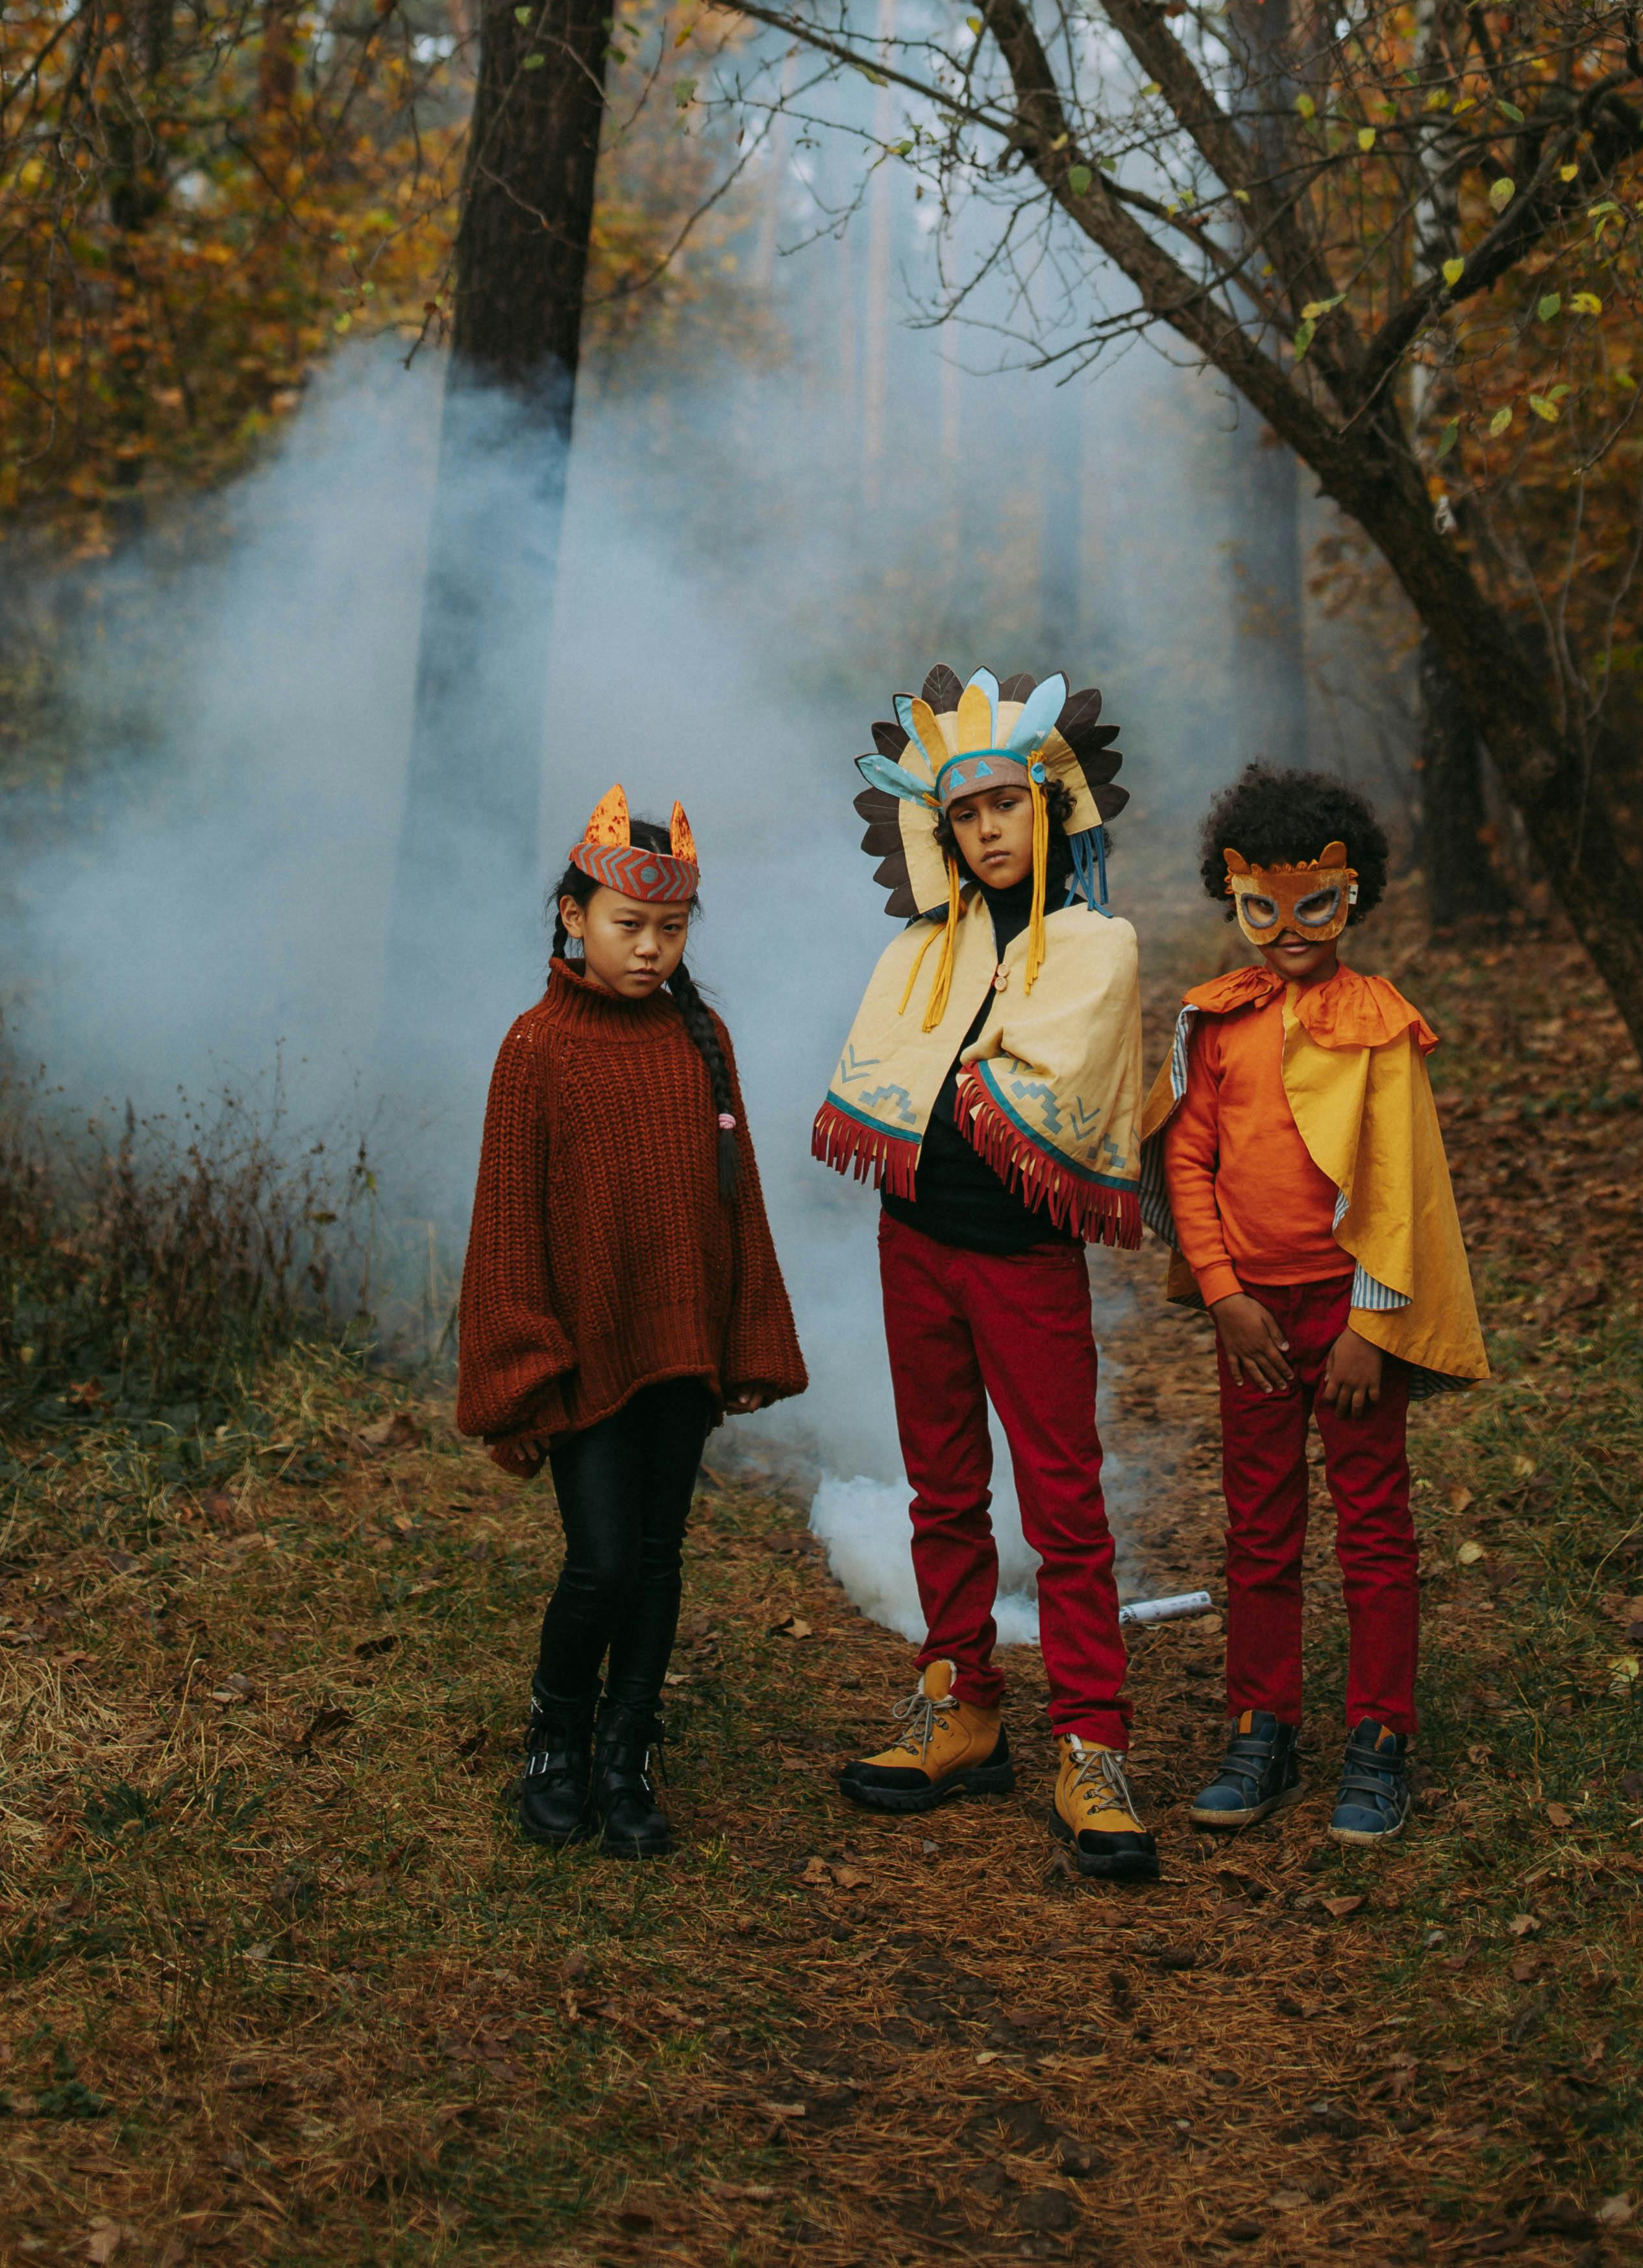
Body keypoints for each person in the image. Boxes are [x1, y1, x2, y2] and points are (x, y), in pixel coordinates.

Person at [812, 664, 1158, 1886]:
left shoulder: (1098, 946)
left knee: (1062, 1503)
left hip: (1023, 1259)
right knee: (941, 1486)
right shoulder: (921, 952)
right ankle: (958, 1699)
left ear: (1050, 806)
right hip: (916, 1244)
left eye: (1007, 803)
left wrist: (964, 1090)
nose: (989, 829)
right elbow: (893, 1084)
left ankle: (1092, 1742)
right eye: (964, 813)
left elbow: (1039, 1087)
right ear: (941, 829)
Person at [1137, 762, 1488, 1848]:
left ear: (1353, 897)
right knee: (1260, 1526)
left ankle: (1380, 1739)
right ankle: (1262, 1724)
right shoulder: (1219, 1024)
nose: (1288, 933)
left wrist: (1370, 1331)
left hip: (1348, 1322)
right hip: (1253, 1324)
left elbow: (1396, 1183)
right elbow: (1188, 1159)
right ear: (1233, 896)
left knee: (1375, 1525)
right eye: (1263, 910)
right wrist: (1226, 1295)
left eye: (1315, 908)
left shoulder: (1378, 1028)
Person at [457, 788, 806, 1856]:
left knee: (659, 1559)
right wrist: (526, 1368)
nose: (651, 948)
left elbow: (734, 1203)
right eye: (629, 925)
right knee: (601, 1561)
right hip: (586, 1352)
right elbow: (509, 1223)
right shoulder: (536, 1049)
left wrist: (748, 1337)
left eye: (671, 928)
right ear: (574, 917)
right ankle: (555, 1734)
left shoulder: (701, 1042)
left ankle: (628, 1747)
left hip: (681, 1350)